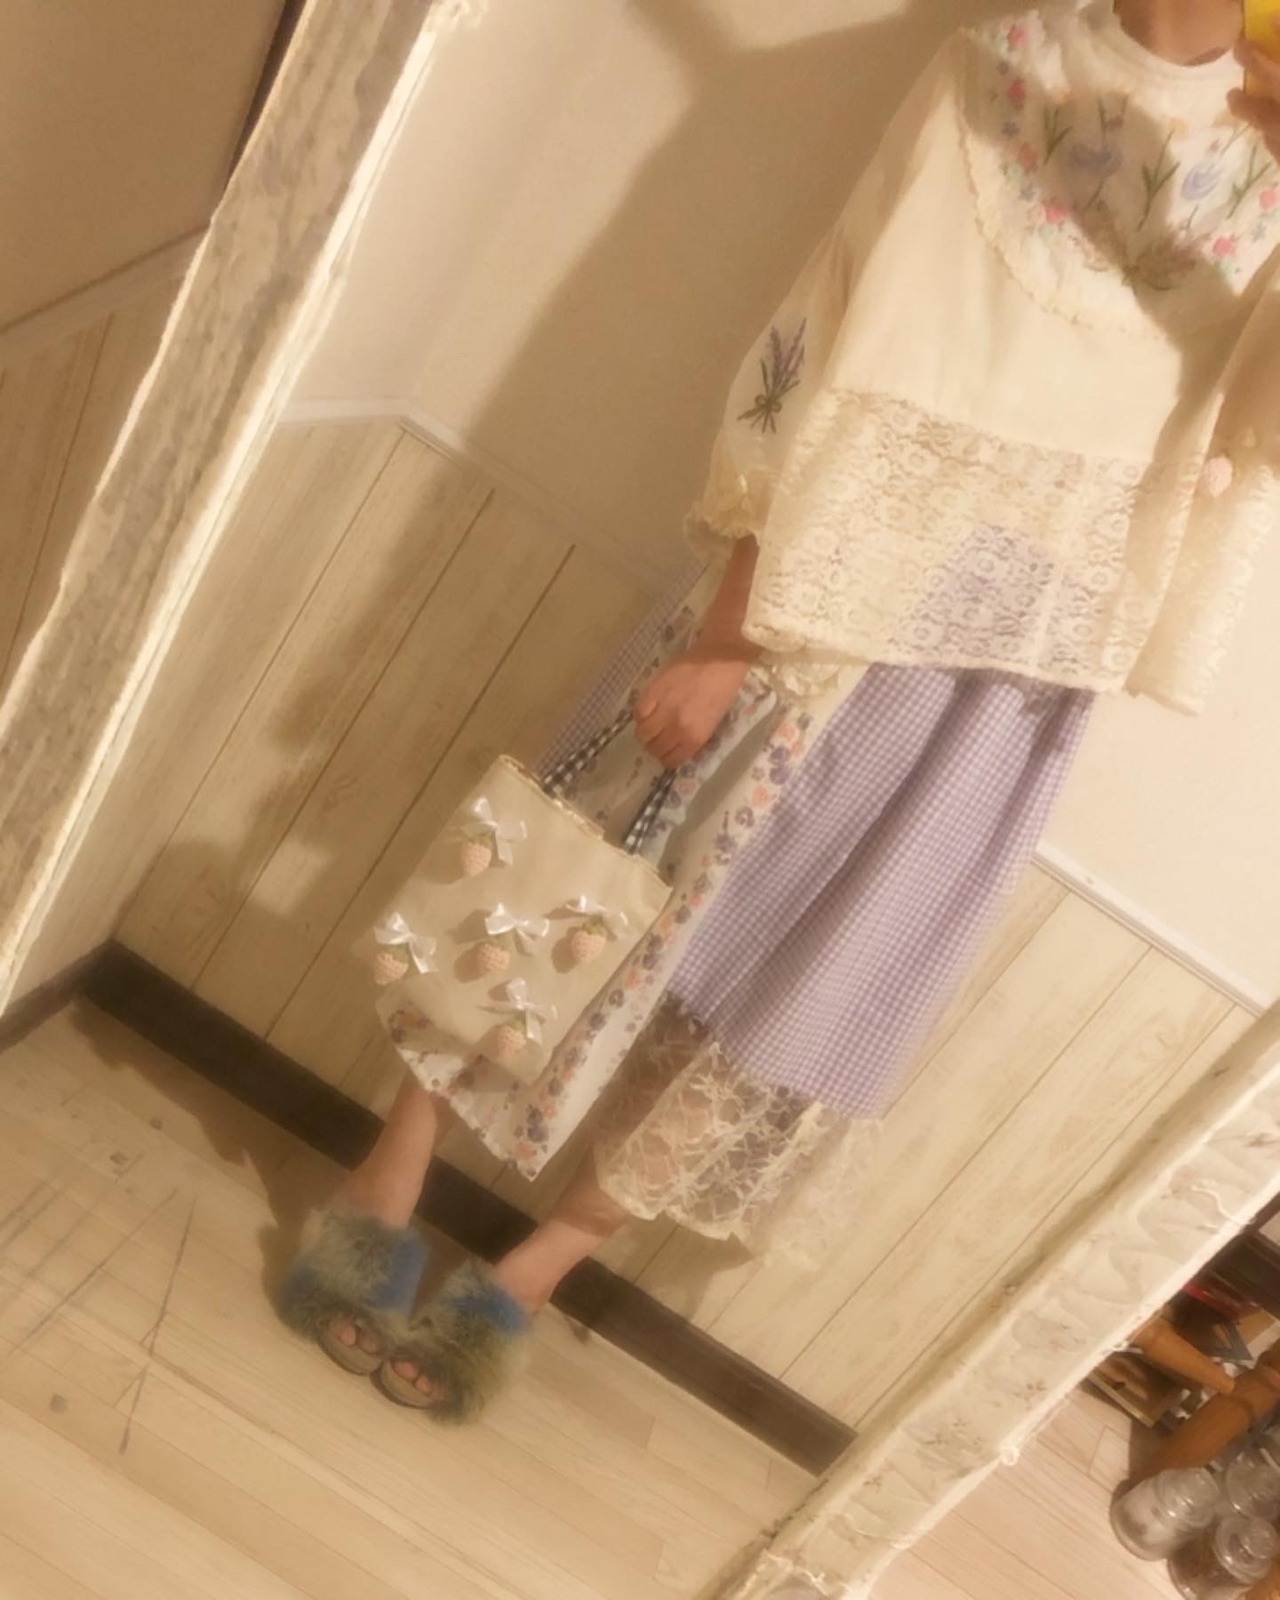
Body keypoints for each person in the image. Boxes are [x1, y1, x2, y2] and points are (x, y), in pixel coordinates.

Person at [280, 0, 1280, 1422]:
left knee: (806, 977)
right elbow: (835, 323)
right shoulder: (1003, 71)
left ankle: (534, 1275)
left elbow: (1251, 441)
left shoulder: (1267, 163)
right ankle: (387, 1173)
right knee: (588, 860)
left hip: (1019, 657)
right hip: (833, 575)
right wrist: (735, 624)